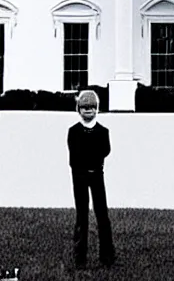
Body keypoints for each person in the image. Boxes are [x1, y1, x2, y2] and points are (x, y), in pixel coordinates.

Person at [67, 90, 115, 269]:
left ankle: (107, 257)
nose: (88, 110)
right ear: (78, 109)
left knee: (102, 214)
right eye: (84, 107)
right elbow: (74, 157)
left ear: (97, 109)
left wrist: (91, 161)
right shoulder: (73, 131)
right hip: (79, 176)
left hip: (97, 175)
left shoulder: (103, 132)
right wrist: (86, 162)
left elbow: (105, 151)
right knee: (82, 216)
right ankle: (80, 258)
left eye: (92, 107)